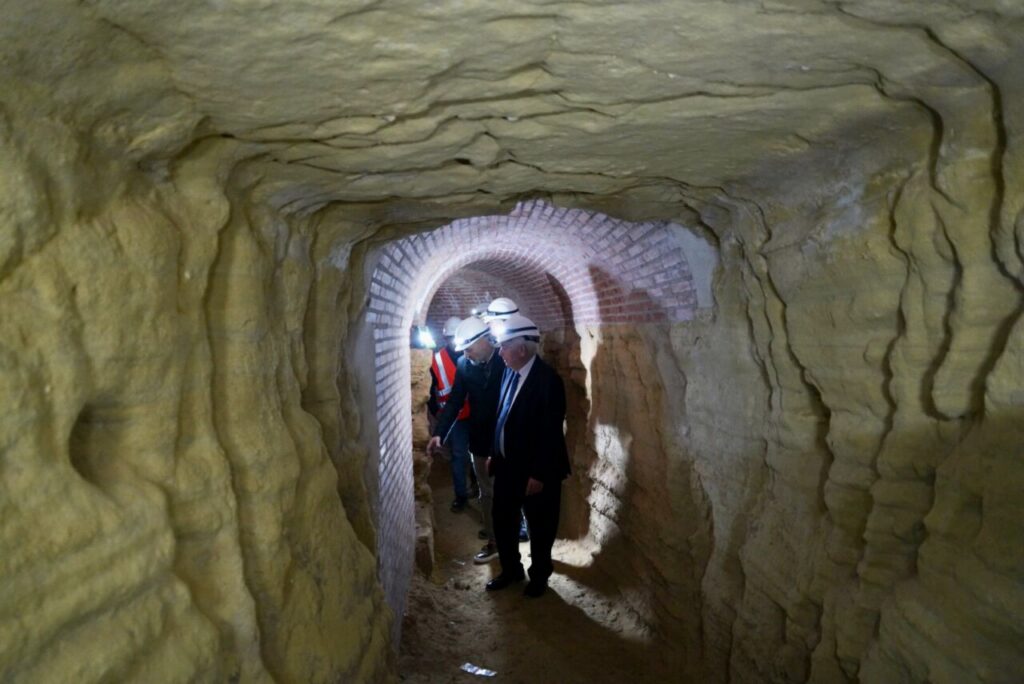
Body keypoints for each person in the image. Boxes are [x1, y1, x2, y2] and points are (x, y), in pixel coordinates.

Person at [485, 314, 570, 598]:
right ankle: (511, 569)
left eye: (504, 346)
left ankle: (539, 576)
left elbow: (551, 433)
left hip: (535, 471)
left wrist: (539, 473)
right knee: (503, 519)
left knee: (540, 524)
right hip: (507, 466)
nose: (500, 352)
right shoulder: (510, 372)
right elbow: (502, 415)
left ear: (521, 349)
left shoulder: (548, 381)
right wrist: (495, 452)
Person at [428, 316, 506, 564]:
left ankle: (517, 530)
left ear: (483, 341)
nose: (466, 354)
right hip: (481, 440)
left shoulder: (507, 360)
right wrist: (440, 433)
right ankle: (495, 540)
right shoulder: (464, 365)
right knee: (487, 492)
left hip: (508, 439)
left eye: (469, 349)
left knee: (511, 489)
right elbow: (454, 402)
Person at [428, 317, 472, 512]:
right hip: (455, 419)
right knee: (459, 455)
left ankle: (478, 488)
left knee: (478, 453)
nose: (454, 341)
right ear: (445, 338)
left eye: (456, 337)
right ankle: (461, 495)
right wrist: (438, 413)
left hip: (476, 415)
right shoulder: (436, 360)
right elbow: (430, 392)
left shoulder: (471, 353)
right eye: (450, 338)